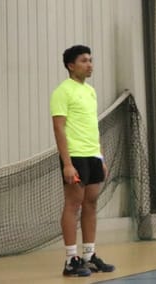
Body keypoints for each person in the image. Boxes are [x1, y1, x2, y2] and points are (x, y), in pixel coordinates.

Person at [50, 45, 116, 277]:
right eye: (84, 61)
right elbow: (58, 128)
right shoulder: (62, 91)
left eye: (91, 60)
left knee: (91, 203)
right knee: (73, 204)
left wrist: (100, 155)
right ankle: (71, 260)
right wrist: (67, 163)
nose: (90, 64)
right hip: (75, 155)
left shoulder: (90, 91)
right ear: (71, 65)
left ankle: (88, 255)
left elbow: (92, 126)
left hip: (92, 155)